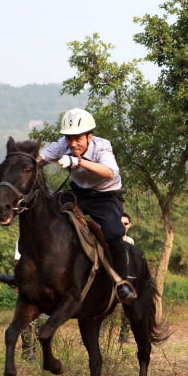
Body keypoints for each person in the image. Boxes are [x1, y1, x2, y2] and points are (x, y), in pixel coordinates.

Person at [39, 108, 136, 302]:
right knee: (46, 212)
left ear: (89, 136)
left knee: (114, 232)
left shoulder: (102, 146)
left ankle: (122, 283)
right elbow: (40, 159)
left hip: (106, 196)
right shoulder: (62, 145)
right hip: (80, 192)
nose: (73, 144)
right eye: (69, 139)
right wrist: (19, 161)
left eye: (78, 139)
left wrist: (77, 162)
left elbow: (110, 172)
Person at [118, 213, 135, 343]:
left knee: (128, 305)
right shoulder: (111, 239)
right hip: (112, 276)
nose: (123, 226)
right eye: (121, 223)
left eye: (126, 223)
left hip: (126, 277)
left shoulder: (130, 241)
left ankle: (123, 335)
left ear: (129, 225)